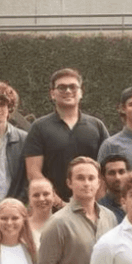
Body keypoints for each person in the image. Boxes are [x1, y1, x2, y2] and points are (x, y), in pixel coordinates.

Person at [24, 67, 108, 200]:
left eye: (73, 87)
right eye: (62, 87)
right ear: (52, 93)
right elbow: (33, 172)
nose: (68, 91)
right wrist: (55, 201)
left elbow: (106, 170)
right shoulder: (39, 128)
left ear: (81, 92)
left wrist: (96, 201)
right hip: (52, 208)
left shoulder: (97, 126)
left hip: (92, 205)